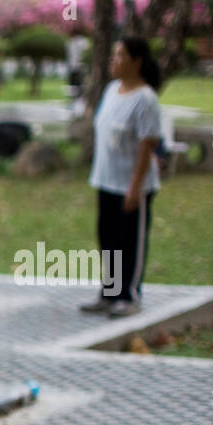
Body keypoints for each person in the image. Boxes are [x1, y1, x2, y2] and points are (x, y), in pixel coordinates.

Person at [80, 37, 163, 318]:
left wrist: (135, 188)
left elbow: (147, 145)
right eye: (113, 54)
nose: (113, 60)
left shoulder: (145, 99)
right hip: (106, 181)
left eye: (120, 55)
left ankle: (130, 296)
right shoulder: (111, 90)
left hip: (131, 185)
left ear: (136, 61)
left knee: (130, 241)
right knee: (108, 239)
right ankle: (110, 292)